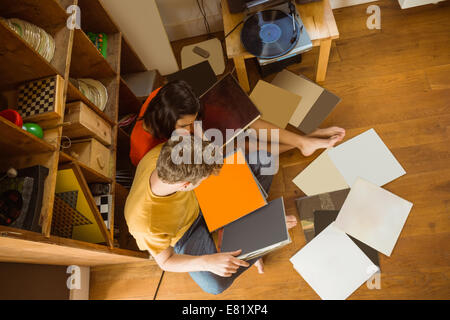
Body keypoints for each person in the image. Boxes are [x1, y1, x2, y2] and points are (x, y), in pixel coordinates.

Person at [125, 136, 297, 295]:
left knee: (265, 160)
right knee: (215, 285)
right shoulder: (144, 224)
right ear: (185, 185)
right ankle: (256, 241)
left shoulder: (166, 153)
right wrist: (207, 261)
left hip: (201, 197)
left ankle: (249, 240)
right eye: (203, 178)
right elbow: (165, 261)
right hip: (186, 233)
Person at [130, 80, 346, 167]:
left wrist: (197, 128)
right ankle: (305, 140)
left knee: (247, 123)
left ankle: (304, 141)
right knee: (242, 144)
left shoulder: (161, 96)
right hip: (186, 162)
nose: (191, 126)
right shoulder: (146, 152)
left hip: (193, 140)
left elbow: (193, 124)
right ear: (169, 126)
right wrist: (204, 142)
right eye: (185, 125)